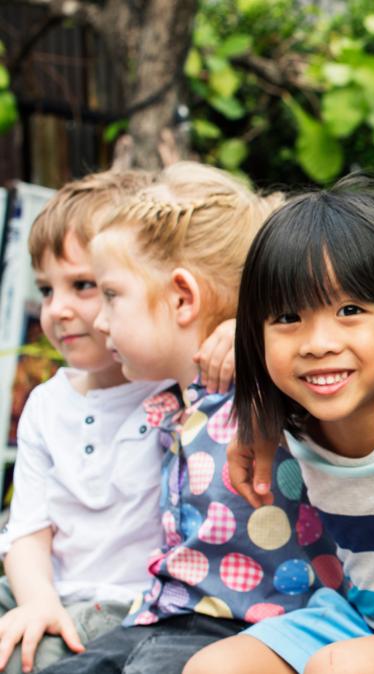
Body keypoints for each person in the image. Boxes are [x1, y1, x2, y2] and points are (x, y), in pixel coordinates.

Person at [183, 179, 374, 674]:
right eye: (288, 316)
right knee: (213, 667)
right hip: (357, 618)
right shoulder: (293, 419)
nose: (318, 343)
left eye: (350, 310)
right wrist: (259, 410)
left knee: (336, 669)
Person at [40, 162, 335, 674]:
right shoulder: (172, 397)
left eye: (110, 296)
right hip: (170, 614)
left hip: (250, 622)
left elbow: (323, 331)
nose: (100, 320)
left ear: (182, 297)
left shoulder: (268, 381)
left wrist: (251, 333)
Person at [0, 170, 238, 674]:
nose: (58, 310)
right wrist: (37, 601)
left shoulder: (175, 384)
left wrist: (240, 331)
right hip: (41, 588)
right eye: (46, 289)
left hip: (128, 604)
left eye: (87, 286)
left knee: (34, 660)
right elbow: (27, 529)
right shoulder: (46, 403)